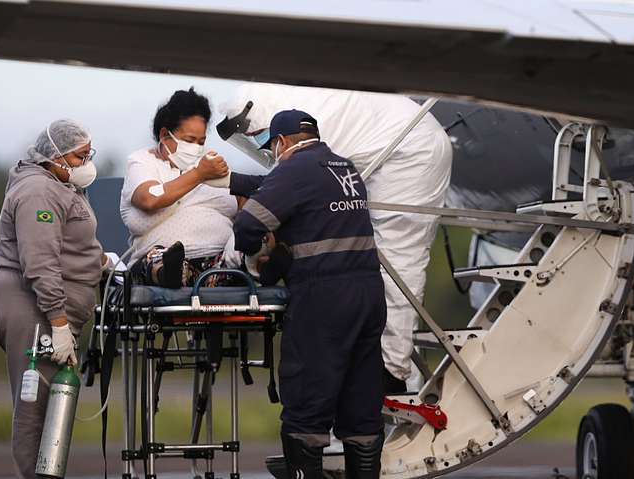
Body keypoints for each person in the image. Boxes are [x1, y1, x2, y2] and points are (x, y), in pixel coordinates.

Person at [217, 84, 452, 392]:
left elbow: (281, 191)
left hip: (412, 155)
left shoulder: (316, 120)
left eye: (256, 137)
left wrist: (236, 252)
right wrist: (228, 180)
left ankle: (393, 372)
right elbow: (281, 184)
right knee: (371, 266)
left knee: (397, 264)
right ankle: (393, 368)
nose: (259, 145)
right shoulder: (296, 117)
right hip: (386, 153)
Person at [233, 110, 387, 479]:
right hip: (368, 292)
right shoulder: (344, 167)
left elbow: (247, 225)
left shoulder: (295, 168)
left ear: (281, 142)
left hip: (324, 296)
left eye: (273, 148)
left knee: (307, 400)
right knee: (361, 402)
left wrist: (261, 257)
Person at [0, 119, 106, 478]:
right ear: (55, 157)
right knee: (34, 403)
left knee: (53, 401)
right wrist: (58, 321)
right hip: (31, 304)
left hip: (54, 306)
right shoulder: (39, 190)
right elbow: (38, 261)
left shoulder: (62, 184)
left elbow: (68, 243)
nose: (87, 164)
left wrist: (100, 262)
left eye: (89, 155)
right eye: (80, 156)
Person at [119, 87, 237, 286]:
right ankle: (170, 272)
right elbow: (150, 199)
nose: (197, 148)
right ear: (165, 135)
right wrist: (199, 174)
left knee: (248, 248)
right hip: (165, 258)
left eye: (201, 141)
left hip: (220, 262)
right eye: (189, 140)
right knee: (159, 260)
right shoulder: (142, 162)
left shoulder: (210, 164)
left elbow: (242, 199)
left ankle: (259, 263)